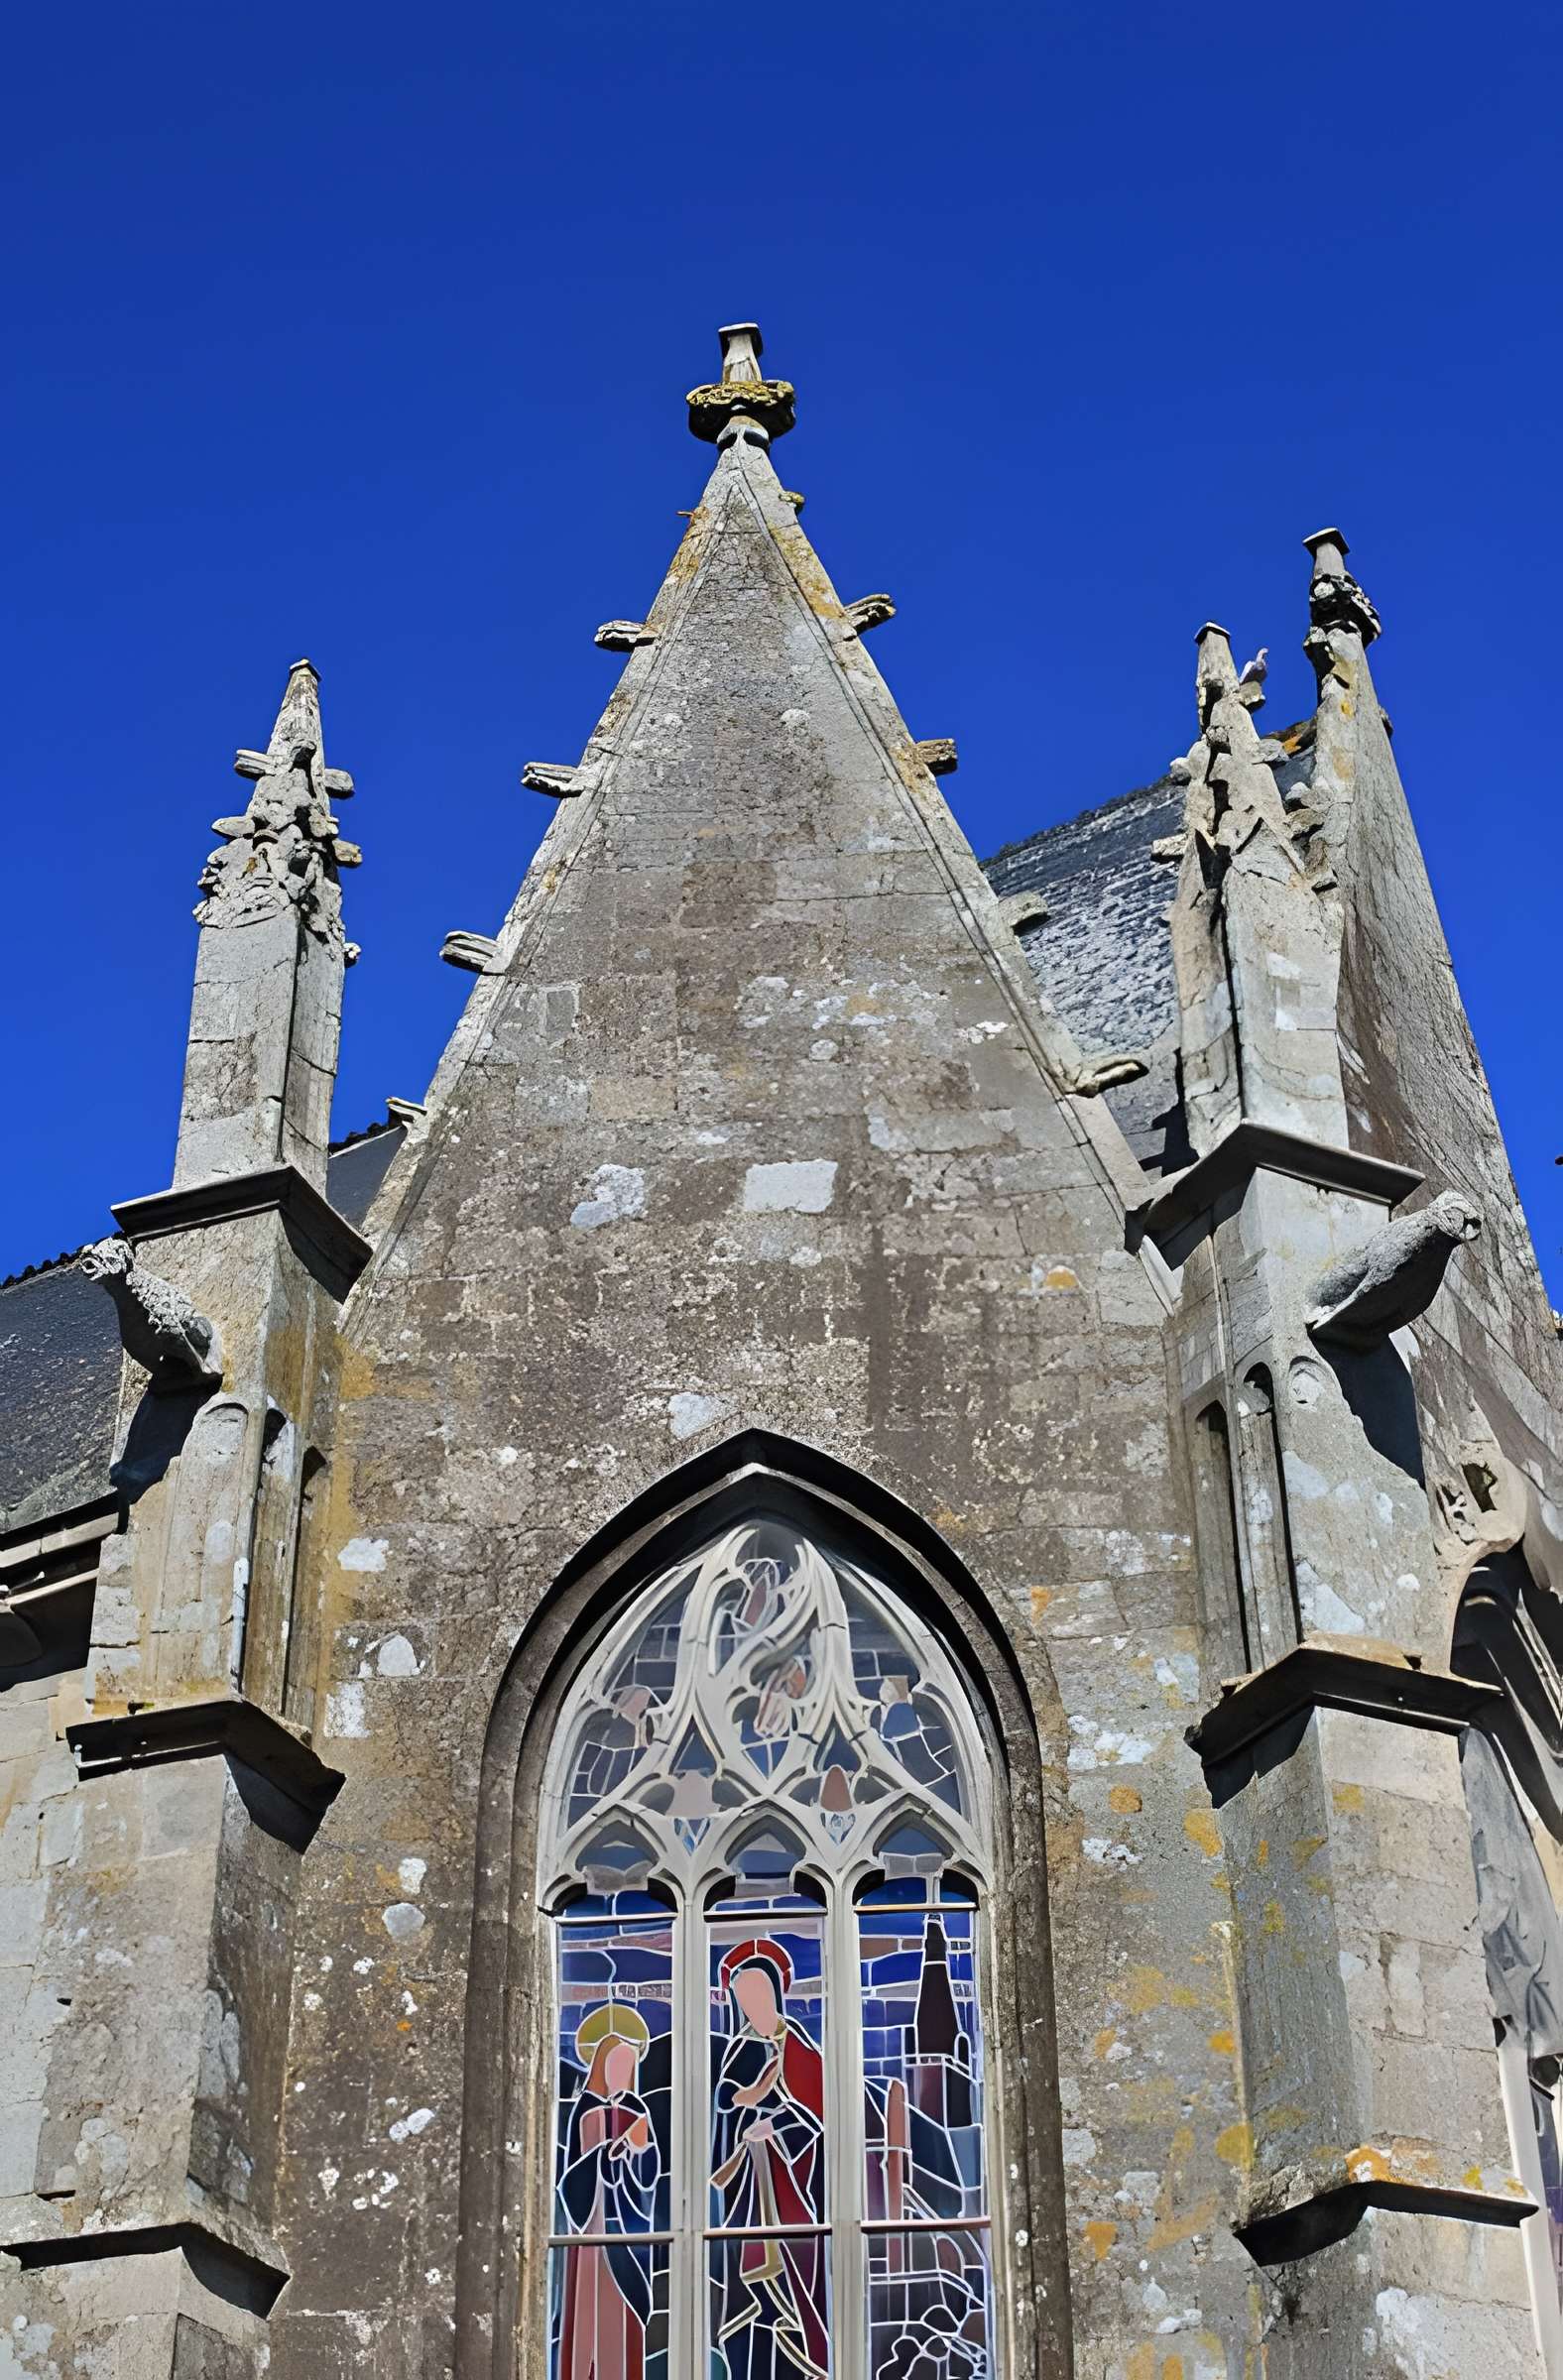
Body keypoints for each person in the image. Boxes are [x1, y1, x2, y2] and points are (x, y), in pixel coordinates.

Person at [711, 1942, 829, 2380]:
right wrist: (750, 2100)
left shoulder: (798, 2046)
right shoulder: (740, 2047)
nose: (751, 2005)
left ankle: (804, 2350)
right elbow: (724, 2104)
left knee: (793, 2278)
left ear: (777, 1995)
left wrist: (776, 2127)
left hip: (793, 2179)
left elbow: (820, 2112)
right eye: (743, 1997)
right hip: (747, 2186)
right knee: (749, 2286)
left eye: (758, 1995)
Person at [556, 2003, 660, 2380]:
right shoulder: (585, 2110)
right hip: (592, 2234)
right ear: (600, 2067)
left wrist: (641, 2148)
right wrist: (613, 2150)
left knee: (624, 2317)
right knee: (590, 2310)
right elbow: (574, 2176)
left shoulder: (637, 2110)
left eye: (628, 2068)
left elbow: (648, 2179)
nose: (622, 2074)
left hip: (629, 2231)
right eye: (616, 2065)